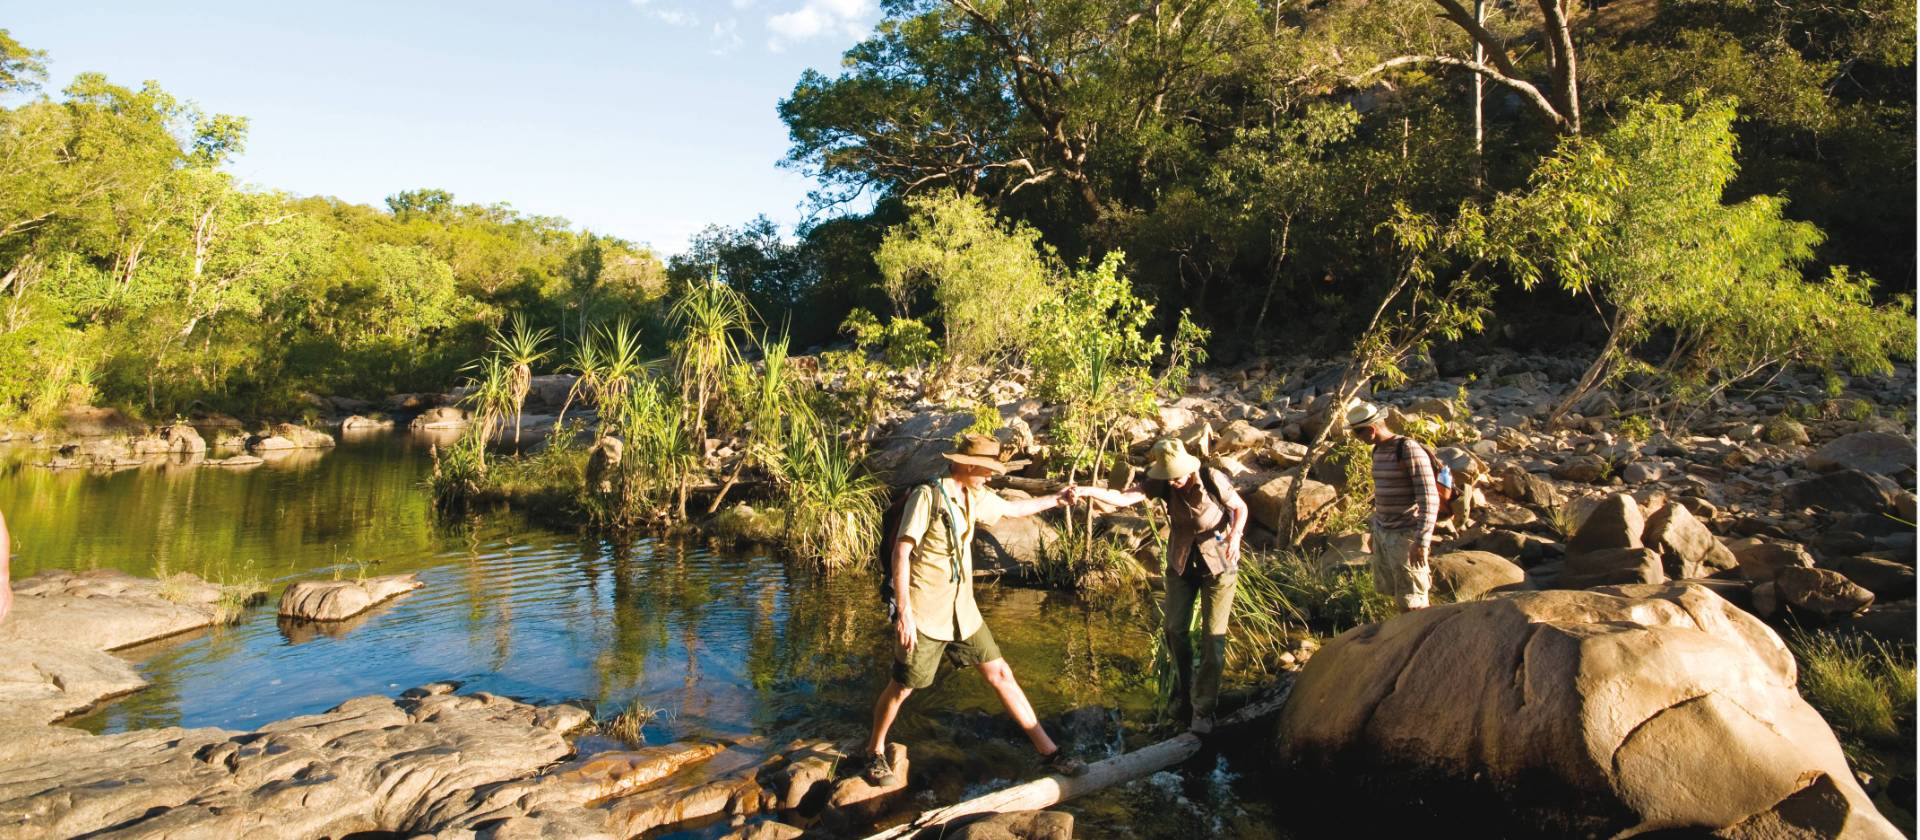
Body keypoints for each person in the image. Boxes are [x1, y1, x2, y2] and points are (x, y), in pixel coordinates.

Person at [860, 434, 1089, 786]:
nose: (990, 475)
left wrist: (1057, 499)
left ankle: (1050, 753)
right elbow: (901, 553)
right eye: (986, 468)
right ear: (966, 465)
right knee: (903, 687)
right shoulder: (928, 496)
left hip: (963, 612)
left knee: (1001, 674)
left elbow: (1012, 509)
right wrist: (903, 613)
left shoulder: (975, 495)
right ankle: (874, 751)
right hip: (925, 613)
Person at [1067, 438, 1246, 734]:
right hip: (1182, 563)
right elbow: (1121, 498)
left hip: (1219, 566)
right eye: (1168, 477)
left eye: (1176, 476)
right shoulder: (1162, 483)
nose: (1172, 482)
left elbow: (1240, 508)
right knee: (1174, 631)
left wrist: (1235, 536)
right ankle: (1184, 696)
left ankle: (1203, 709)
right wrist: (1086, 491)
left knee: (1212, 639)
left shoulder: (1211, 478)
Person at [1347, 401, 1438, 613]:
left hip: (1406, 534)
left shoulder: (1407, 449)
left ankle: (1421, 632)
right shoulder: (1377, 451)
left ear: (1371, 429)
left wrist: (1421, 542)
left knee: (1414, 600)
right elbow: (1381, 495)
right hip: (1384, 532)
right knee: (1395, 593)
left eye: (1357, 433)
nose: (1356, 438)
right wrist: (1375, 531)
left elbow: (1429, 498)